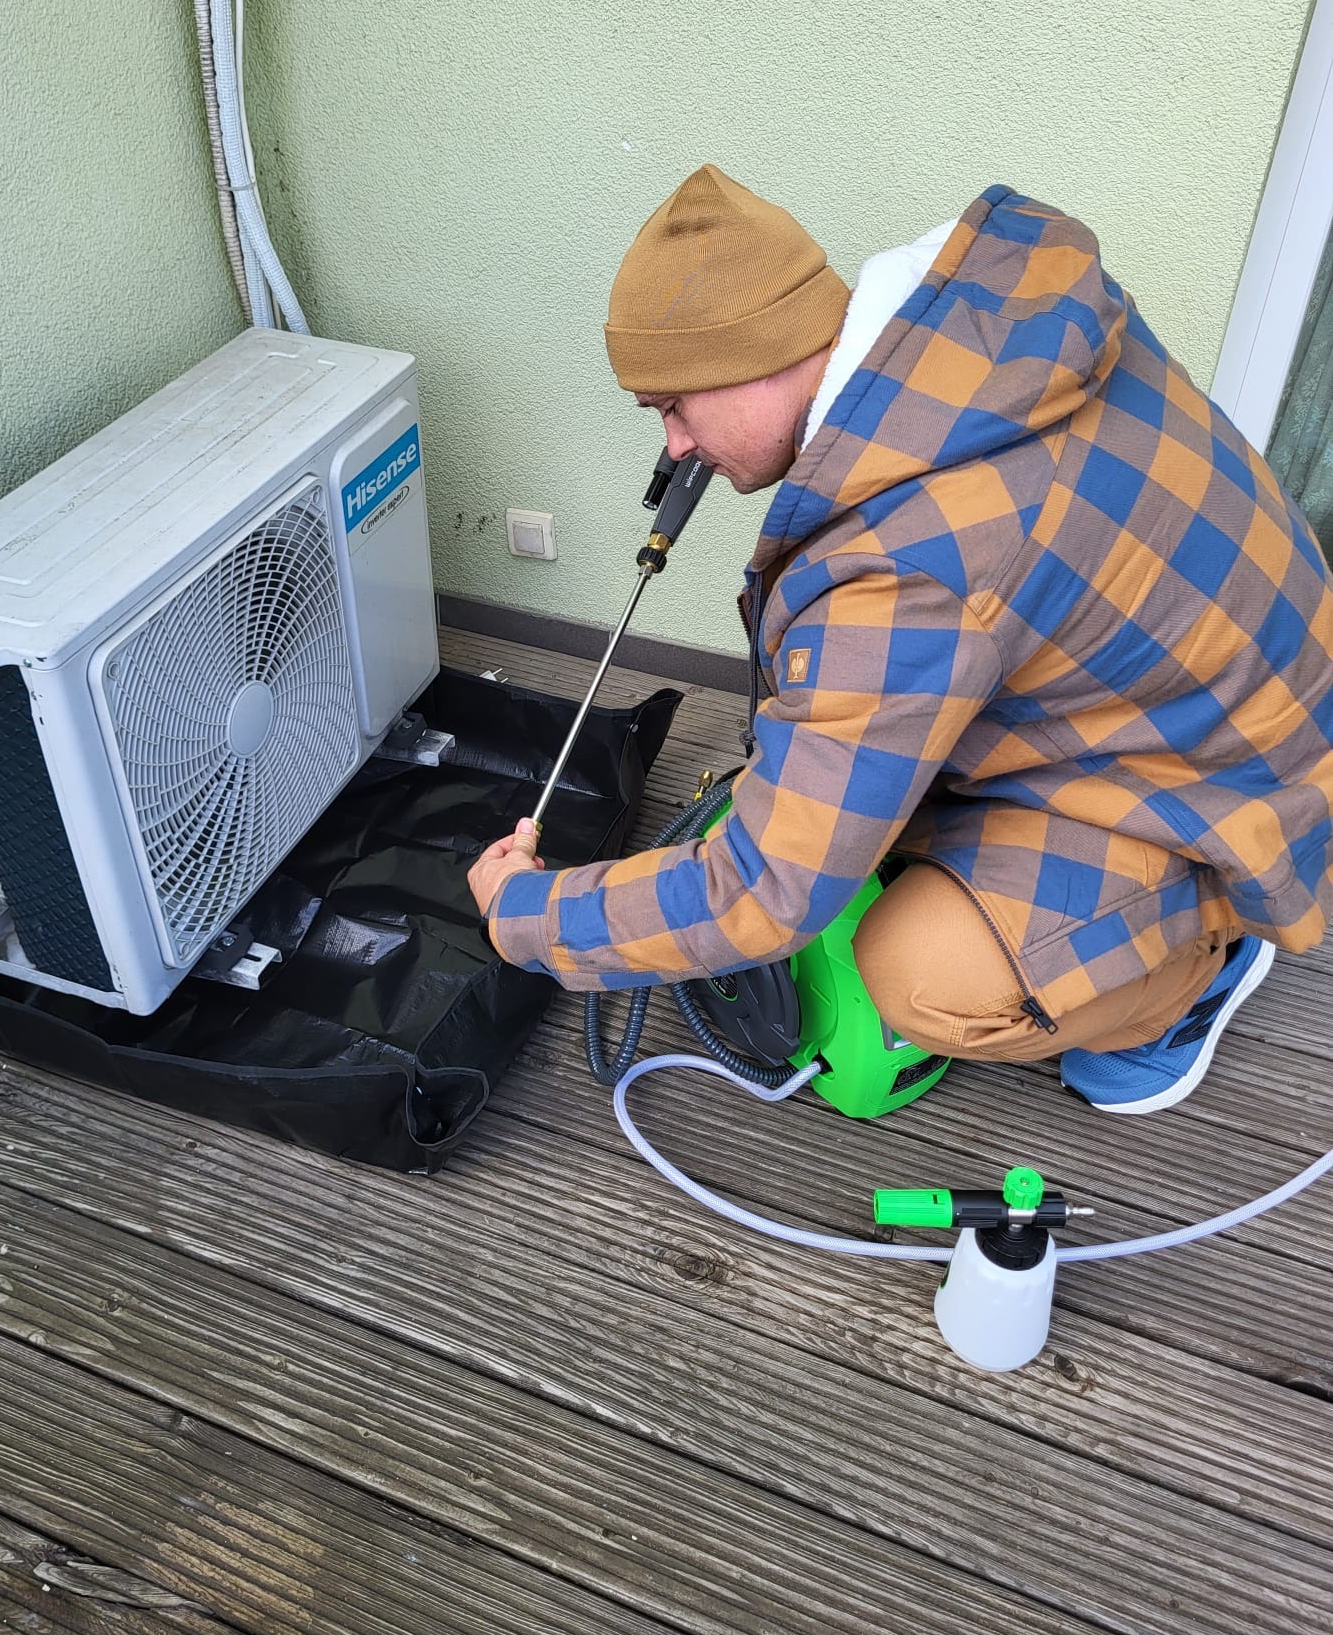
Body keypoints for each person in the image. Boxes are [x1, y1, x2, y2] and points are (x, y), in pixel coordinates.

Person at [467, 166, 1333, 1111]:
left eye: (672, 406)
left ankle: (1194, 975)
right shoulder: (976, 346)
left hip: (1237, 793)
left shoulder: (908, 562)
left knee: (918, 973)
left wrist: (528, 916)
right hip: (1228, 695)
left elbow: (759, 893)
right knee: (856, 804)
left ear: (758, 354)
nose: (673, 447)